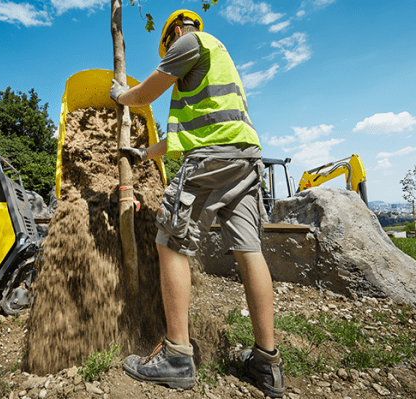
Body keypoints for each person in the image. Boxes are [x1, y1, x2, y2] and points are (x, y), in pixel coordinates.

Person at [110, 9, 285, 398]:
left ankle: (176, 355)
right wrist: (142, 154)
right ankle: (266, 363)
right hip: (244, 159)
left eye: (167, 42)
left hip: (210, 161)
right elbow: (181, 138)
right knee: (249, 250)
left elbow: (143, 94)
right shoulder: (216, 59)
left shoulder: (189, 43)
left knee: (169, 243)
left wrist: (121, 95)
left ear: (173, 32)